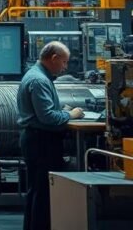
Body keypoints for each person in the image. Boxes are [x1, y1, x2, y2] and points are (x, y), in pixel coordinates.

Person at [18, 42, 84, 230]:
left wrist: (59, 111)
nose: (65, 68)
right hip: (41, 142)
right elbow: (47, 117)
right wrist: (70, 115)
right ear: (53, 59)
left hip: (36, 140)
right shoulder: (39, 80)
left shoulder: (38, 76)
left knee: (37, 192)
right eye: (64, 62)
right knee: (43, 193)